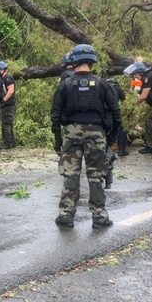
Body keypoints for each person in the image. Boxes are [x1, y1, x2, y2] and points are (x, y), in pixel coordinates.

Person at [50, 44, 121, 229]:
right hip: (97, 133)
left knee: (70, 175)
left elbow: (55, 115)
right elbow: (116, 113)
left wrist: (58, 140)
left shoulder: (65, 84)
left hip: (71, 132)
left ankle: (66, 215)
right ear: (92, 61)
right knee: (96, 176)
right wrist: (111, 139)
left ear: (74, 61)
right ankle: (100, 217)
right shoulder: (102, 83)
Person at [0, 61, 17, 149]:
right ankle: (11, 142)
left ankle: (7, 143)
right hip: (6, 105)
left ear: (2, 70)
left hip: (9, 104)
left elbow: (11, 91)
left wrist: (3, 100)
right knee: (7, 123)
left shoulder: (8, 78)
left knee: (6, 123)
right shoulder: (2, 78)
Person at [106, 79, 129, 157]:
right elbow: (125, 103)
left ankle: (105, 149)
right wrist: (127, 112)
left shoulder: (102, 87)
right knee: (120, 129)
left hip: (104, 113)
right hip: (115, 111)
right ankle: (121, 150)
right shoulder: (118, 89)